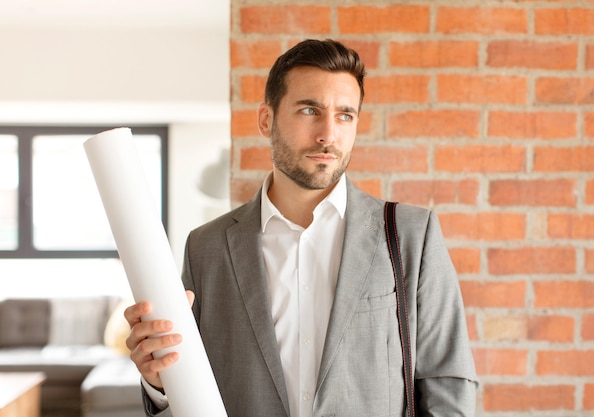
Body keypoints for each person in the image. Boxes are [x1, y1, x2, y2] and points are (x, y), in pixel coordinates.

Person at [125, 38, 478, 417]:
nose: (328, 134)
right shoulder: (206, 247)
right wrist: (159, 382)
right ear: (266, 120)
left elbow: (447, 383)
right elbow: (187, 392)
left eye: (345, 115)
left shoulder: (411, 235)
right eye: (310, 110)